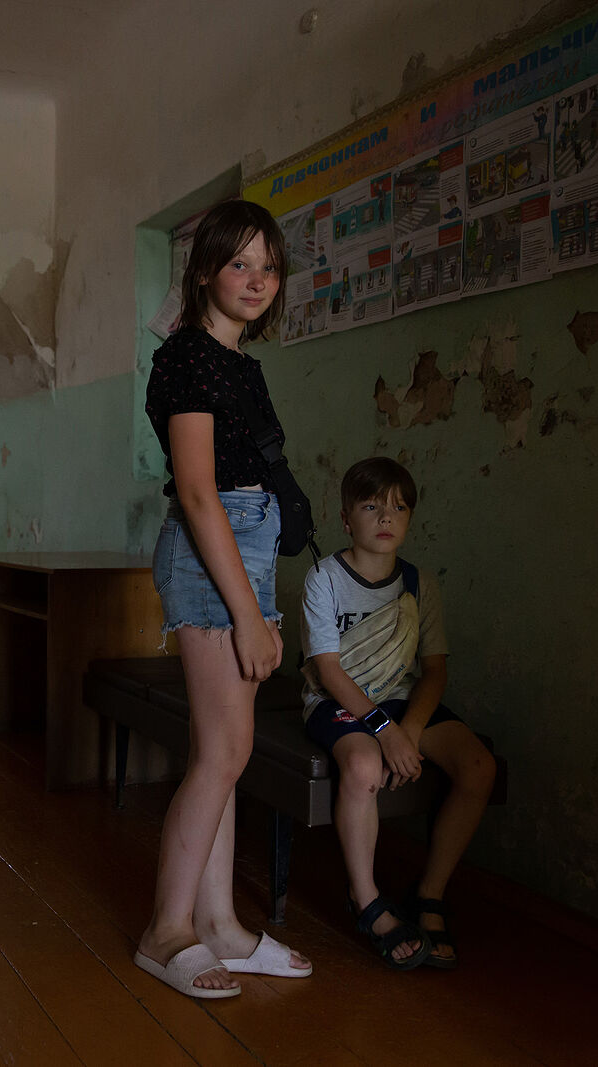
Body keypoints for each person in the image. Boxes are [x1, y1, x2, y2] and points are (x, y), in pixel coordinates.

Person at [136, 199, 313, 999]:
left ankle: (220, 924)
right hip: (213, 552)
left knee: (227, 749)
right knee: (221, 752)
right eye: (239, 262)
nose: (256, 279)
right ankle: (166, 928)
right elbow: (200, 491)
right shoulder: (187, 357)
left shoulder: (239, 363)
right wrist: (247, 613)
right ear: (204, 269)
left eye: (268, 266)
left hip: (247, 546)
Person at [300, 457, 497, 969]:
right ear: (347, 519)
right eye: (371, 507)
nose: (386, 517)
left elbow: (434, 671)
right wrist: (384, 731)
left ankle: (429, 892)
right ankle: (366, 899)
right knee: (364, 765)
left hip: (400, 700)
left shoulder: (418, 583)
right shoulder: (324, 578)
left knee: (479, 766)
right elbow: (328, 670)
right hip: (338, 700)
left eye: (399, 507)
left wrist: (407, 729)